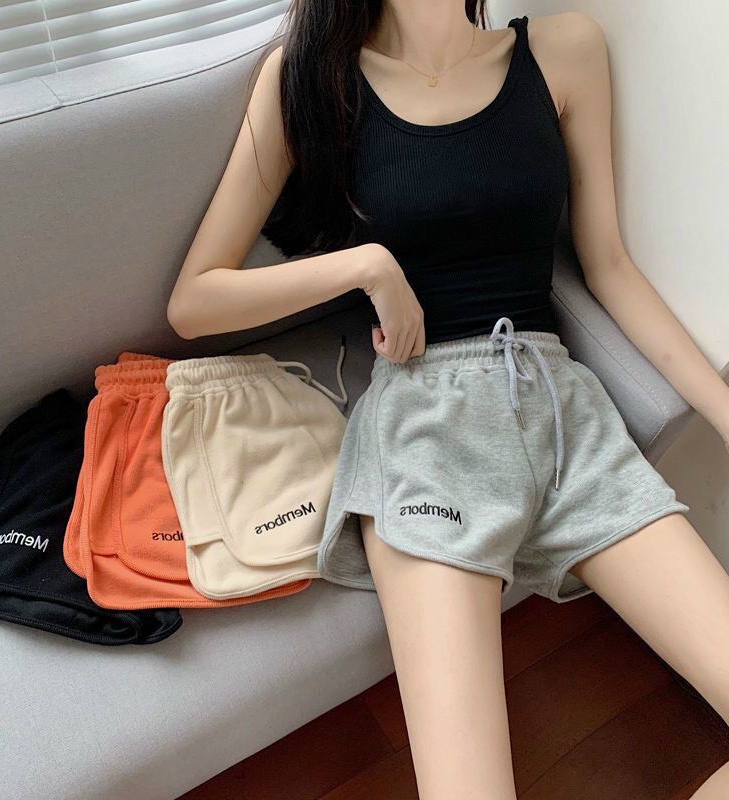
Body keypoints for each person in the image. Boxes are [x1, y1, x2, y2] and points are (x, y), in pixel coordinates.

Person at [166, 3, 729, 797]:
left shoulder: (565, 49)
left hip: (565, 413)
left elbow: (609, 265)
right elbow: (194, 301)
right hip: (426, 431)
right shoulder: (309, 79)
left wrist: (725, 411)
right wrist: (367, 267)